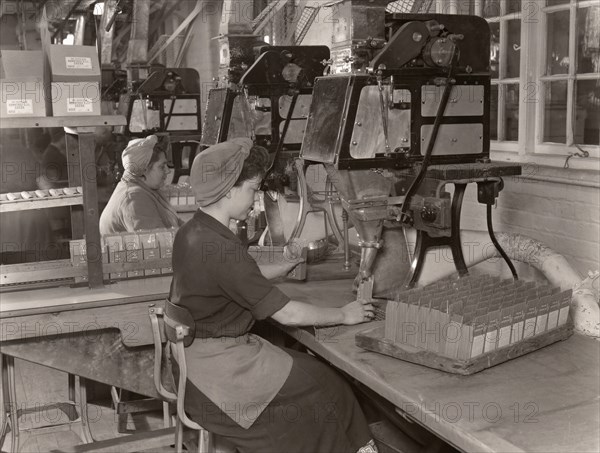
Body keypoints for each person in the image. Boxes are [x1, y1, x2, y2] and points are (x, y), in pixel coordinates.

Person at [169, 137, 379, 453]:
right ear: (229, 190)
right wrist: (344, 314)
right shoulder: (221, 248)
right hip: (219, 380)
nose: (255, 199)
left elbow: (239, 278)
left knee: (310, 373)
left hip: (193, 366)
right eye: (252, 190)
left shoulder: (193, 231)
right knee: (330, 387)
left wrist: (286, 263)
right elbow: (287, 314)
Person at [100, 135, 182, 234]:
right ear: (144, 169)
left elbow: (177, 224)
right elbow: (156, 242)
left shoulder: (148, 189)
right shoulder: (134, 198)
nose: (168, 171)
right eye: (162, 166)